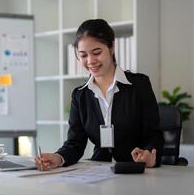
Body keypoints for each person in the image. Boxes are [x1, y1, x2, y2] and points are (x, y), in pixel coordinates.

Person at [35, 19, 163, 170]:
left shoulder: (139, 85)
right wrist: (57, 158)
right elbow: (75, 143)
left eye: (97, 52)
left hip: (135, 170)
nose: (90, 61)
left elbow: (153, 135)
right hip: (99, 172)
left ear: (112, 47)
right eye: (83, 55)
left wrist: (149, 155)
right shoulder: (80, 95)